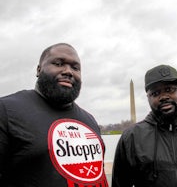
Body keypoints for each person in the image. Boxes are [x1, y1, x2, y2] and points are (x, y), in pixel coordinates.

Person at [0, 43, 108, 187]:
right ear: (39, 70)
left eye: (75, 68)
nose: (68, 71)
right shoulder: (6, 110)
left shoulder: (89, 120)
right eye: (58, 63)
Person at [112, 64, 177, 187]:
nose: (164, 97)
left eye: (169, 89)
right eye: (155, 93)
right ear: (148, 98)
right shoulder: (131, 138)